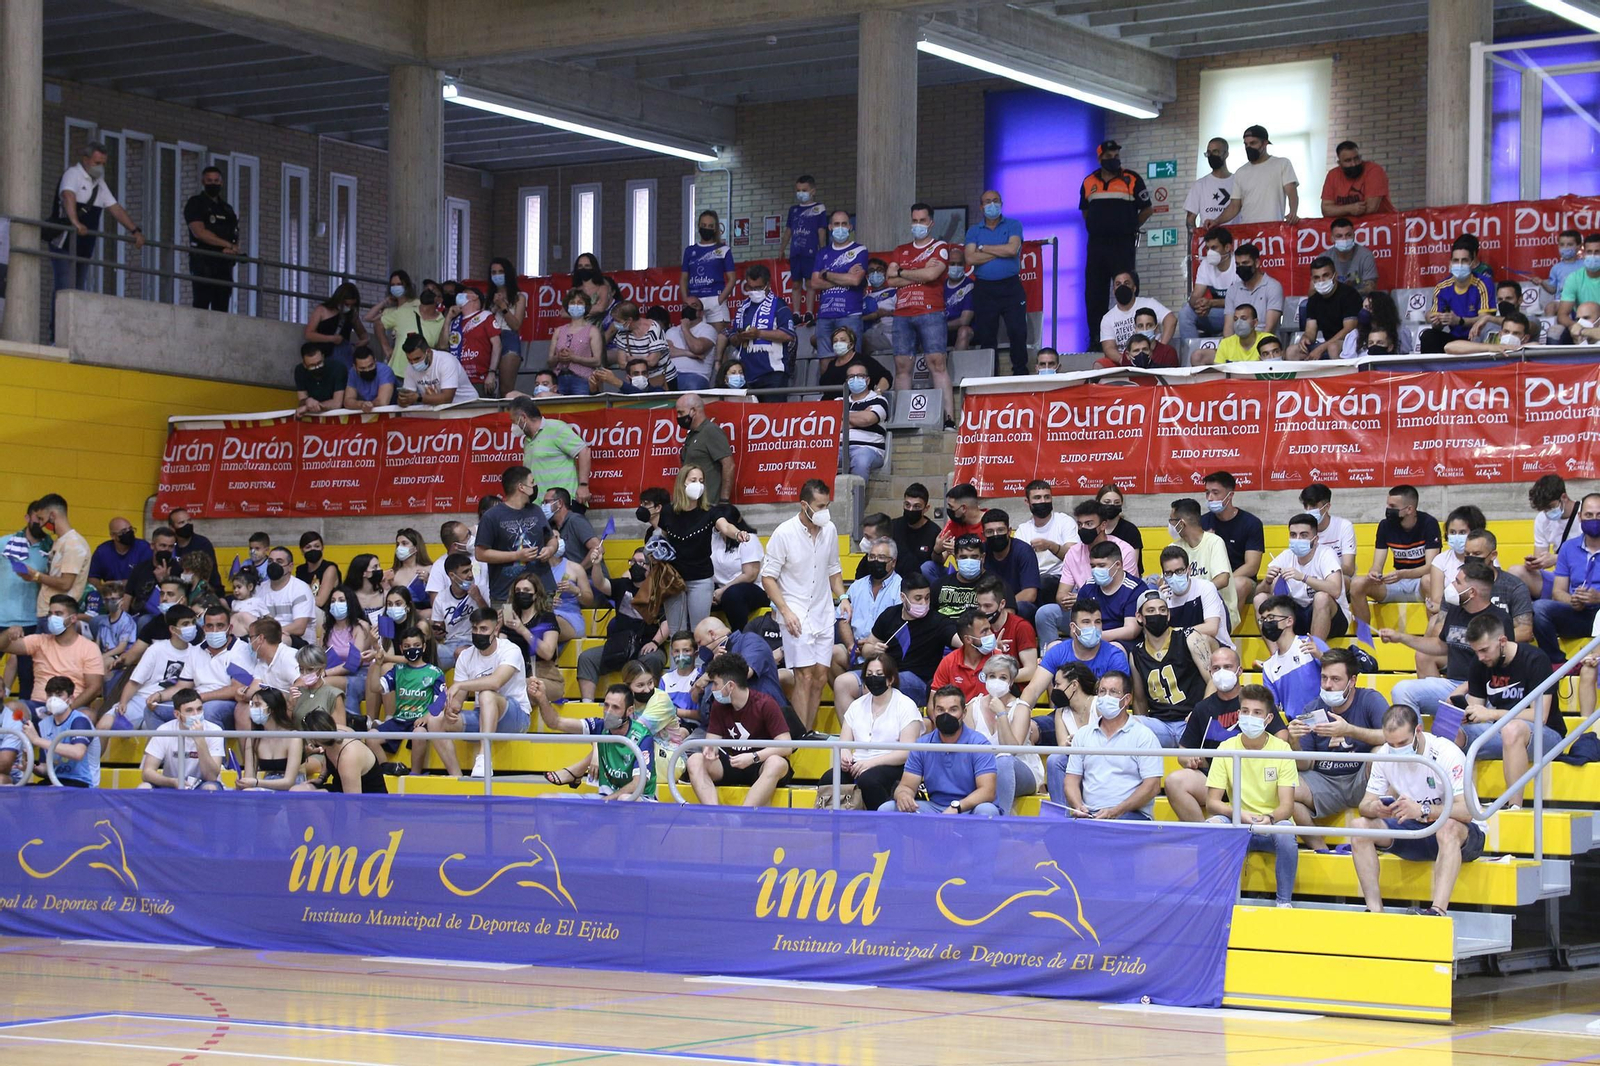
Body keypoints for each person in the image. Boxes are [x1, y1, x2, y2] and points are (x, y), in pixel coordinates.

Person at [1350, 705, 1485, 917]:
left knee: (1447, 827)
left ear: (1418, 731)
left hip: (1464, 835)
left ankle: (1437, 911)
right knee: (1359, 827)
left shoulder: (1446, 752)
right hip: (1417, 829)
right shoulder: (1384, 755)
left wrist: (1422, 810)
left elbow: (1467, 812)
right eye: (1391, 743)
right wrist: (1375, 808)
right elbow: (1364, 805)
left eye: (1402, 743)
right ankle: (1375, 910)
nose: (1396, 749)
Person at [1164, 645, 1282, 820]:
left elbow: (1282, 737)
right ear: (1210, 672)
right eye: (1216, 668)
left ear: (1239, 670)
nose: (1222, 672)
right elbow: (1183, 752)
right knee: (1174, 781)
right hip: (1215, 781)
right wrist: (1190, 759)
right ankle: (1205, 837)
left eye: (1228, 667)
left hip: (1257, 780)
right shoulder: (1202, 708)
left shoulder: (1257, 702)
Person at [1205, 686, 1299, 907]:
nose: (1249, 717)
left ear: (1268, 719)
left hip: (1272, 825)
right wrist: (1238, 814)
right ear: (1238, 714)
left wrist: (1269, 818)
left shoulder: (1282, 749)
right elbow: (1212, 803)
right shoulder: (1225, 748)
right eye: (1245, 711)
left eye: (1257, 713)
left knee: (1286, 833)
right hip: (1238, 823)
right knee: (1211, 826)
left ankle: (1284, 903)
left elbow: (1287, 806)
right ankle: (1215, 900)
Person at [761, 481, 843, 734]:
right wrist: (785, 610)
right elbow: (767, 577)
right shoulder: (784, 533)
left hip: (824, 611)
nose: (824, 511)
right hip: (795, 612)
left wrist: (844, 597)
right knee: (804, 675)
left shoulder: (829, 529)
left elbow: (834, 570)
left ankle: (807, 732)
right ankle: (796, 736)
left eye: (827, 505)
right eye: (820, 506)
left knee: (820, 676)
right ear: (804, 505)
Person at [1287, 647, 1387, 850]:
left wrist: (1349, 730)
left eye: (1335, 679)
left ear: (1352, 681)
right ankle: (1321, 849)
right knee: (1287, 788)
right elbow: (1304, 764)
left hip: (1363, 780)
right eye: (1324, 678)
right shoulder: (1312, 708)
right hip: (1325, 782)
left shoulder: (1370, 699)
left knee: (1381, 753)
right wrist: (1294, 741)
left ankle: (1382, 841)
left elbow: (1392, 737)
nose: (1327, 685)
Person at [1387, 559, 1509, 721]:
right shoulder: (1455, 611)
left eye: (1457, 582)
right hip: (1452, 684)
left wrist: (1464, 689)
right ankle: (1417, 743)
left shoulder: (1500, 620)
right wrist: (1400, 637)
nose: (1451, 584)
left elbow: (1504, 667)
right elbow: (1440, 646)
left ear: (1472, 592)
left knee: (1473, 725)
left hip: (1485, 691)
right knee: (1402, 690)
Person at [1465, 614, 1565, 808]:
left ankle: (1514, 807)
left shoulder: (1535, 659)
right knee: (1452, 734)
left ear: (1502, 641)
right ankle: (1456, 803)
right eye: (1476, 651)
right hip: (1500, 730)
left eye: (1485, 650)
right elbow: (1476, 706)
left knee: (1512, 729)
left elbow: (1539, 716)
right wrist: (1466, 715)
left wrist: (1492, 714)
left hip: (1546, 735)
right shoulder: (1479, 663)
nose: (1480, 657)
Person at [48, 141, 144, 340]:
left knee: (78, 291)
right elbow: (68, 197)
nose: (100, 167)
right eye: (97, 162)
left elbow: (115, 208)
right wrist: (76, 222)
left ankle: (73, 336)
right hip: (64, 243)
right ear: (86, 160)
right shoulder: (73, 174)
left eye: (103, 163)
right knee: (65, 288)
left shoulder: (99, 184)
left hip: (84, 246)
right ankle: (56, 336)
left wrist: (134, 230)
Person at [424, 608, 531, 778]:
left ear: (496, 630)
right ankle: (456, 776)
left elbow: (496, 681)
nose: (478, 633)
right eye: (474, 629)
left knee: (486, 693)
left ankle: (483, 757)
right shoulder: (466, 656)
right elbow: (458, 701)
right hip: (483, 716)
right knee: (435, 720)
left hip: (515, 717)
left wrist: (461, 686)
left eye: (483, 629)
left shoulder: (511, 650)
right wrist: (451, 708)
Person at [834, 572, 955, 709]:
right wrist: (873, 650)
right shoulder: (889, 615)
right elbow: (867, 649)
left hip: (919, 681)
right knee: (842, 683)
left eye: (927, 598)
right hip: (887, 672)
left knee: (880, 682)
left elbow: (959, 640)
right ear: (903, 597)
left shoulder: (937, 621)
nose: (924, 603)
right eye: (918, 598)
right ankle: (853, 730)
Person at [819, 653, 922, 811]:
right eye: (869, 675)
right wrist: (845, 753)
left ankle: (882, 824)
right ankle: (835, 824)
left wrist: (870, 763)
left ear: (891, 679)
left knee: (869, 780)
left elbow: (906, 752)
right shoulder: (856, 705)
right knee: (829, 777)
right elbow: (844, 742)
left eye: (879, 675)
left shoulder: (906, 705)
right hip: (858, 764)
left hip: (892, 764)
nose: (874, 678)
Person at [688, 652, 794, 806]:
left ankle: (743, 816)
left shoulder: (766, 704)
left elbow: (786, 746)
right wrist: (709, 750)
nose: (713, 689)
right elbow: (711, 740)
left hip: (760, 762)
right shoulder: (718, 705)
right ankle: (714, 815)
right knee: (695, 760)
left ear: (730, 686)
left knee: (777, 763)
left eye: (716, 684)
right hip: (733, 762)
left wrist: (753, 757)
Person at [1055, 670, 1161, 818]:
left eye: (1113, 692)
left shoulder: (1144, 736)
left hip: (1130, 814)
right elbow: (1071, 779)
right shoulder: (1083, 735)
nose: (1106, 697)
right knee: (1055, 835)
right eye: (1102, 691)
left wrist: (1116, 811)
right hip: (1091, 814)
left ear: (1126, 699)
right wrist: (1078, 806)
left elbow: (1153, 786)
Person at [656, 464, 748, 631]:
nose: (698, 484)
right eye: (693, 480)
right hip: (673, 579)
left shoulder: (709, 511)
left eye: (701, 480)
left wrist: (737, 533)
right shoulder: (668, 511)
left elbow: (725, 527)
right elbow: (663, 536)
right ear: (682, 483)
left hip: (700, 579)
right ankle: (678, 658)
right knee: (676, 632)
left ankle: (700, 658)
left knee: (700, 632)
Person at [1080, 141, 1153, 349]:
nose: (1114, 158)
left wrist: (1129, 227)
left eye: (1116, 154)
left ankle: (1133, 337)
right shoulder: (1088, 182)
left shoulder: (1132, 179)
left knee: (1126, 289)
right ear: (1100, 158)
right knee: (1094, 293)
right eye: (1109, 155)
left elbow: (1147, 210)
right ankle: (1096, 338)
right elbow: (1085, 212)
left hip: (1123, 244)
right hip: (1097, 246)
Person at [888, 202, 955, 427]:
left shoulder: (940, 246)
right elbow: (890, 279)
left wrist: (903, 272)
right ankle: (901, 418)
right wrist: (920, 273)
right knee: (901, 366)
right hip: (902, 313)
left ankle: (948, 419)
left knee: (937, 362)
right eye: (914, 221)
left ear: (931, 222)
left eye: (922, 221)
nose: (918, 225)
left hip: (931, 311)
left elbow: (933, 274)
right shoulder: (900, 249)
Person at [882, 687, 999, 816]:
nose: (946, 715)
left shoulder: (979, 744)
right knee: (887, 809)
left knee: (988, 810)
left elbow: (987, 791)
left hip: (969, 808)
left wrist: (956, 808)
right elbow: (906, 786)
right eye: (940, 710)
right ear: (933, 711)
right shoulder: (922, 745)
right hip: (934, 808)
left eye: (953, 710)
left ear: (964, 712)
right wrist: (904, 795)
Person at [1127, 590, 1214, 747]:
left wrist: (1199, 714)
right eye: (1151, 611)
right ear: (1139, 617)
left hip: (1191, 721)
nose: (1157, 614)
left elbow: (1213, 681)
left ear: (1168, 615)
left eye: (1162, 610)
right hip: (1160, 725)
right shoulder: (1136, 654)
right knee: (1125, 725)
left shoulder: (1189, 637)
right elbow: (1139, 700)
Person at [1351, 485, 1442, 629]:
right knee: (1357, 583)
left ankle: (1434, 635)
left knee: (1429, 580)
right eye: (1388, 504)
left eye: (1392, 506)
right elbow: (1377, 564)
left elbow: (1431, 566)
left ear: (1409, 509)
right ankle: (1364, 638)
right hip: (1397, 584)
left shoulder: (1429, 523)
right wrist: (1374, 573)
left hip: (1420, 584)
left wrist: (1404, 573)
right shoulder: (1385, 526)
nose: (1388, 509)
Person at [0, 594, 104, 716]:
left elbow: (95, 687)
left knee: (89, 715)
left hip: (72, 707)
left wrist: (68, 709)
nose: (52, 618)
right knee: (11, 708)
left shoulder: (90, 648)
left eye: (58, 614)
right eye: (50, 614)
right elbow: (3, 646)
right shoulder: (39, 641)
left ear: (73, 618)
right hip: (39, 706)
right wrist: (8, 633)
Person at [963, 191, 1030, 376]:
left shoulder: (1013, 225)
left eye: (995, 201)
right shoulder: (974, 231)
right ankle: (990, 375)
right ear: (981, 206)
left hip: (1011, 287)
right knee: (987, 335)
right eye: (987, 202)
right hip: (985, 289)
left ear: (1001, 203)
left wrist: (983, 248)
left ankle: (1020, 373)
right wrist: (1000, 250)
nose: (991, 205)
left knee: (1017, 331)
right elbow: (969, 257)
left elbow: (1012, 249)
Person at [1022, 601, 1132, 713]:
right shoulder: (1057, 652)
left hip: (1102, 719)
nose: (1093, 627)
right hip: (1063, 716)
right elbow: (1033, 690)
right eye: (1086, 622)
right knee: (1034, 727)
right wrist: (1021, 710)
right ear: (1073, 627)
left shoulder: (1114, 655)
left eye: (1097, 622)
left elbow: (1120, 702)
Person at [965, 655, 1041, 814]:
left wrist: (1002, 715)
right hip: (983, 771)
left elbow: (1012, 749)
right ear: (985, 678)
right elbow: (968, 748)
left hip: (1022, 771)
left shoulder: (1021, 708)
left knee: (1004, 759)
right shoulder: (973, 706)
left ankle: (1001, 818)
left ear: (1011, 682)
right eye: (992, 676)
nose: (996, 681)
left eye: (1003, 677)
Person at [100, 603, 195, 730]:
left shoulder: (196, 652)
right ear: (172, 629)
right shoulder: (156, 649)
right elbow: (135, 682)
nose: (191, 627)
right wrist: (123, 702)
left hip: (172, 704)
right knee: (105, 724)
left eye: (193, 622)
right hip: (142, 700)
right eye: (185, 624)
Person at [1258, 512, 1349, 640]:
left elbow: (1335, 590)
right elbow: (1258, 593)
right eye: (1293, 535)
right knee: (1260, 598)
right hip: (1297, 615)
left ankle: (1315, 652)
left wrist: (1303, 577)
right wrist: (1267, 582)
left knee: (1321, 597)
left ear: (1315, 539)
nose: (1297, 539)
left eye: (1304, 535)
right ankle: (1275, 655)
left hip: (1331, 617)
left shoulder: (1326, 554)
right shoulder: (1286, 555)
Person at [18, 676, 101, 787]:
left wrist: (37, 740)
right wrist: (33, 768)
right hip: (56, 781)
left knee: (47, 794)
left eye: (59, 695)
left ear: (70, 699)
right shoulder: (44, 724)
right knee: (15, 790)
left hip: (82, 782)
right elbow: (47, 769)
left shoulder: (80, 721)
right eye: (50, 695)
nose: (53, 699)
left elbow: (78, 753)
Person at [509, 396, 592, 506]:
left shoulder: (555, 427)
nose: (513, 426)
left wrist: (583, 485)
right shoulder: (527, 441)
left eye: (514, 421)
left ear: (523, 418)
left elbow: (584, 451)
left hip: (565, 505)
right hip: (540, 506)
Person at [729, 263, 797, 397]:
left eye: (759, 287)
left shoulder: (779, 305)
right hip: (746, 374)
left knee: (772, 417)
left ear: (768, 285)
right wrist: (739, 337)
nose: (754, 291)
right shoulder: (743, 308)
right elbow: (732, 337)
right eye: (750, 287)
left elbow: (788, 335)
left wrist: (759, 333)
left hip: (773, 374)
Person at [1199, 471, 1264, 610]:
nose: (1210, 498)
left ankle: (1226, 630)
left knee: (1239, 584)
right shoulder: (1201, 523)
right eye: (1207, 493)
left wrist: (1223, 581)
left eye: (1215, 493)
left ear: (1230, 495)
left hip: (1240, 580)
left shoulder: (1251, 523)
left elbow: (1252, 566)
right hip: (1208, 579)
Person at [138, 688, 224, 790]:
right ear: (177, 714)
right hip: (172, 783)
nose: (196, 715)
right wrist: (172, 782)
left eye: (199, 709)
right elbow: (147, 772)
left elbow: (211, 776)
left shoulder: (214, 730)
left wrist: (199, 739)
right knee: (144, 787)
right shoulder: (164, 730)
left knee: (210, 788)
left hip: (202, 784)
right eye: (189, 710)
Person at [1418, 239, 1494, 354]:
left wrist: (1460, 321)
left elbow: (1486, 319)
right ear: (1450, 264)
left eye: (1464, 261)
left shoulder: (1484, 283)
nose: (1459, 264)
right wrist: (1435, 319)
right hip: (1454, 340)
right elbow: (1437, 327)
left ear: (1472, 263)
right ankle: (1434, 371)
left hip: (1477, 338)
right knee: (1428, 336)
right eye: (1456, 261)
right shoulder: (1442, 287)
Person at [1512, 475, 1580, 601]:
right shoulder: (1542, 519)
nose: (1547, 512)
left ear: (1563, 497)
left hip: (1584, 578)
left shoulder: (1586, 515)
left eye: (1550, 507)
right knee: (1515, 571)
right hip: (1559, 579)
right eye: (1543, 509)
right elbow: (1540, 557)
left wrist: (1556, 559)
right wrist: (1535, 563)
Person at [22, 493, 90, 618]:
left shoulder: (73, 543)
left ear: (52, 516)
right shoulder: (59, 541)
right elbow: (53, 577)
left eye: (42, 519)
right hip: (46, 611)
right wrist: (31, 577)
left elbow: (65, 583)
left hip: (59, 615)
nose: (41, 525)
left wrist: (35, 575)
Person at [1215, 124, 1299, 225]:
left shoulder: (1282, 164)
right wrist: (1216, 221)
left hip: (1273, 231)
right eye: (1246, 144)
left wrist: (1293, 213)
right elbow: (1234, 206)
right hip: (1247, 232)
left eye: (1253, 143)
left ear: (1265, 143)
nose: (1248, 147)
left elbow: (1291, 192)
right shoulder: (1241, 172)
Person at [1169, 497, 1236, 624]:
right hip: (1185, 610)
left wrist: (1194, 596)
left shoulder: (1214, 542)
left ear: (1181, 523)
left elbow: (1222, 579)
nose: (1170, 525)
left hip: (1216, 610)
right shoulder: (1173, 548)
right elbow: (1164, 580)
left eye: (1172, 521)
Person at [838, 538, 901, 670]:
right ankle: (853, 686)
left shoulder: (900, 588)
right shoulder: (857, 586)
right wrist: (851, 645)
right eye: (871, 556)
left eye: (881, 557)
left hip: (882, 651)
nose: (875, 561)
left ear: (893, 562)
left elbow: (898, 628)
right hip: (855, 649)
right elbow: (843, 618)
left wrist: (870, 644)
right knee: (833, 653)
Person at [183, 166, 240, 312]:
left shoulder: (227, 209)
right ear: (203, 181)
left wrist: (233, 248)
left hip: (224, 266)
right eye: (209, 181)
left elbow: (235, 234)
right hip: (203, 263)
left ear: (221, 183)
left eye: (216, 181)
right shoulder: (196, 203)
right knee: (201, 307)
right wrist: (226, 244)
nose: (213, 184)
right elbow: (199, 232)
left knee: (221, 308)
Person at [811, 209, 868, 352]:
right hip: (825, 315)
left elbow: (855, 280)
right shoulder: (822, 253)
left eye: (844, 224)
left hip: (850, 314)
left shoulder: (860, 250)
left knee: (851, 360)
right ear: (830, 227)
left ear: (850, 226)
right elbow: (814, 283)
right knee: (825, 363)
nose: (841, 228)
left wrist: (827, 275)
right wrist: (844, 277)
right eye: (837, 224)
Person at [1014, 481, 1077, 609]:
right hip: (1031, 582)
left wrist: (1051, 546)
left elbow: (1074, 557)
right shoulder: (1023, 530)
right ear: (1027, 502)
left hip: (1060, 580)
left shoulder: (1064, 521)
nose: (1043, 501)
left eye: (1047, 497)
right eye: (1037, 498)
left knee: (1045, 581)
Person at [1155, 545, 1231, 646]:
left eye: (1179, 571)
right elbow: (1158, 635)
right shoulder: (1163, 597)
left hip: (1216, 648)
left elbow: (1211, 628)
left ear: (1189, 570)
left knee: (1197, 639)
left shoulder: (1205, 588)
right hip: (1179, 651)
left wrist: (1175, 632)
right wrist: (1160, 606)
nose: (1174, 577)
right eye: (1168, 573)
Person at [303, 708, 387, 794]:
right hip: (340, 789)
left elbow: (353, 802)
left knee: (310, 799)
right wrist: (321, 778)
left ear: (313, 739)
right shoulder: (329, 736)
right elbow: (327, 756)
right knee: (298, 790)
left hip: (368, 801)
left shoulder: (348, 757)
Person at [1292, 257, 1362, 360]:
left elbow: (1348, 329)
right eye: (1316, 277)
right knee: (1292, 351)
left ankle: (1341, 376)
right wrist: (1305, 338)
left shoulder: (1349, 295)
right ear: (1312, 279)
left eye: (1325, 275)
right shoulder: (1313, 300)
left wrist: (1321, 348)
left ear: (1335, 275)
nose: (1321, 281)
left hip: (1350, 344)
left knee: (1332, 347)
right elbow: (1311, 331)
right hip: (1326, 344)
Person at [712, 508, 769, 633]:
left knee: (733, 594)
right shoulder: (714, 539)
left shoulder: (748, 539)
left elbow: (750, 575)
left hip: (752, 589)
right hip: (720, 591)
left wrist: (723, 590)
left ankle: (740, 634)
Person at [1099, 272, 1176, 363]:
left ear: (1134, 288)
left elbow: (1171, 319)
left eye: (1126, 283)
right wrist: (1124, 361)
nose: (1122, 287)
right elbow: (1108, 347)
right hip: (1125, 361)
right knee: (1100, 364)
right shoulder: (1108, 318)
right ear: (1114, 290)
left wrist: (1160, 348)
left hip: (1153, 356)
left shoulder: (1149, 303)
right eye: (1118, 284)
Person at [974, 577, 1038, 683]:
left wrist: (999, 679)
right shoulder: (977, 627)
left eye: (987, 606)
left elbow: (1030, 671)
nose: (982, 611)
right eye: (979, 606)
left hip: (1012, 689)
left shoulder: (1021, 627)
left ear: (1002, 604)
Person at [783, 174, 828, 325]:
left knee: (810, 282)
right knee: (796, 283)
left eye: (804, 190)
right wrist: (782, 248)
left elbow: (821, 230)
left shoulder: (819, 208)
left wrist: (822, 249)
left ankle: (808, 312)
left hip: (811, 252)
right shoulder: (793, 210)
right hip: (796, 252)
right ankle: (796, 312)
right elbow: (789, 230)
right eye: (798, 190)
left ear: (813, 191)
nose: (801, 193)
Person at [675, 393, 735, 505]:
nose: (678, 417)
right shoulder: (692, 435)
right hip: (691, 504)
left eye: (681, 413)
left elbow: (728, 465)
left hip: (709, 504)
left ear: (693, 411)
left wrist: (724, 500)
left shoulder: (710, 431)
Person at [681, 209, 736, 330]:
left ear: (716, 228)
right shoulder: (689, 251)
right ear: (698, 226)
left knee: (718, 344)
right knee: (693, 342)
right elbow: (684, 278)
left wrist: (719, 300)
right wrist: (686, 301)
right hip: (694, 302)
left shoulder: (724, 250)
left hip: (715, 301)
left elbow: (732, 279)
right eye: (703, 225)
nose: (706, 228)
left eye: (710, 226)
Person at [1182, 226, 1239, 339]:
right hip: (1219, 315)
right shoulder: (1205, 265)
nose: (1210, 252)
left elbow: (1240, 301)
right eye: (1207, 248)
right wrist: (1199, 305)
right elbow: (1196, 295)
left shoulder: (1237, 264)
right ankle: (1192, 354)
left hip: (1237, 316)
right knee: (1186, 312)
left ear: (1227, 247)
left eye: (1214, 247)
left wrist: (1211, 303)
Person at [930, 610, 996, 706]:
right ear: (968, 639)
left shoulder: (997, 659)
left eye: (990, 629)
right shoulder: (949, 662)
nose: (991, 634)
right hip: (959, 718)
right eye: (984, 631)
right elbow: (933, 703)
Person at [980, 509, 1040, 616]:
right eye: (990, 532)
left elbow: (1030, 594)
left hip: (1017, 604)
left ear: (1009, 531)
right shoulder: (981, 552)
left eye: (1000, 530)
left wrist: (1001, 607)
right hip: (987, 605)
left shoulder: (1023, 551)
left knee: (1022, 607)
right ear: (983, 534)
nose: (995, 535)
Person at [1221, 242, 1285, 334]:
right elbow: (1228, 327)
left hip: (1264, 342)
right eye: (1238, 264)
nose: (1241, 267)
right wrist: (1228, 347)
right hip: (1239, 342)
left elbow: (1269, 329)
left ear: (1257, 263)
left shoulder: (1273, 287)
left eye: (1245, 263)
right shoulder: (1233, 290)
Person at [550, 288, 604, 395]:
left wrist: (574, 358)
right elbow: (549, 361)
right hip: (559, 379)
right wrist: (558, 357)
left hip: (583, 380)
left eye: (580, 303)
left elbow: (597, 361)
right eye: (572, 303)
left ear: (586, 306)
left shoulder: (592, 330)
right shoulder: (559, 331)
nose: (575, 305)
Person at [398, 335, 478, 406]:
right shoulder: (410, 368)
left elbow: (447, 398)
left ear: (428, 352)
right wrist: (404, 400)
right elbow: (407, 397)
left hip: (466, 405)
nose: (413, 363)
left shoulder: (446, 361)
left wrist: (419, 398)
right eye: (409, 360)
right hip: (440, 409)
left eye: (417, 359)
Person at [484, 257, 528, 388]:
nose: (497, 275)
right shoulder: (487, 298)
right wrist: (493, 308)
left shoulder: (519, 297)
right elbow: (481, 322)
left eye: (501, 272)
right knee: (487, 386)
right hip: (489, 339)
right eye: (494, 272)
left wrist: (503, 307)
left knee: (506, 390)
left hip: (509, 338)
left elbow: (515, 325)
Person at [1320, 141, 1394, 217]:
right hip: (1349, 226)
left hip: (1383, 225)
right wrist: (1349, 208)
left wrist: (1338, 210)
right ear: (1340, 163)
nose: (1354, 164)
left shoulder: (1374, 170)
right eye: (1348, 161)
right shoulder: (1332, 175)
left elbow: (1370, 208)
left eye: (1356, 158)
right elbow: (1326, 210)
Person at [1299, 483, 1357, 577]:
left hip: (1339, 578)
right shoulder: (1301, 529)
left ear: (1327, 507)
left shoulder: (1344, 526)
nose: (1309, 510)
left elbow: (1349, 569)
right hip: (1308, 579)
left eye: (1313, 506)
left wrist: (1323, 568)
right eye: (1306, 506)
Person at [304, 283, 370, 364]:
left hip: (343, 355)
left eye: (352, 305)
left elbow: (363, 333)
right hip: (322, 353)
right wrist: (331, 338)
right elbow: (309, 334)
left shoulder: (352, 315)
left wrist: (364, 341)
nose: (349, 307)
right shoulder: (322, 310)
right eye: (346, 304)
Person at [1554, 232, 1600, 340]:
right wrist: (1574, 326)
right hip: (1583, 325)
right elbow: (1562, 315)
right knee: (1555, 332)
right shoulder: (1574, 278)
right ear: (1583, 254)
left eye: (1597, 252)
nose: (1592, 255)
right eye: (1589, 252)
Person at [819, 327, 892, 394]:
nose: (838, 343)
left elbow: (886, 376)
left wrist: (878, 392)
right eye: (835, 341)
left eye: (843, 340)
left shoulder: (864, 360)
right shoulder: (831, 364)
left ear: (851, 344)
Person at [930, 483, 985, 570]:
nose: (949, 511)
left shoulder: (991, 523)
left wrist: (959, 551)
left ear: (963, 508)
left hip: (985, 571)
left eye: (951, 507)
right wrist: (937, 550)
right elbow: (941, 559)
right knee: (928, 567)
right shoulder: (953, 524)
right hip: (958, 573)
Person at [890, 483, 940, 580]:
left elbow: (937, 563)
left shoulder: (934, 531)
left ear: (926, 508)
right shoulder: (893, 526)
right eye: (907, 505)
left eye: (917, 506)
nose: (911, 509)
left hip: (921, 582)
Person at [1185, 138, 1235, 232]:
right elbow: (1190, 219)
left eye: (1215, 151)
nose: (1211, 155)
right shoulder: (1199, 185)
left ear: (1226, 154)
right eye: (1208, 152)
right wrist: (1197, 239)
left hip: (1236, 239)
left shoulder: (1237, 182)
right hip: (1209, 242)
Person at [666, 302, 719, 391]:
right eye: (685, 306)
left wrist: (685, 329)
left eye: (694, 306)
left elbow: (697, 348)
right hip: (671, 374)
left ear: (701, 313)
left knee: (692, 386)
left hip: (696, 375)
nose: (688, 308)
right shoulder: (672, 330)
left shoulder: (707, 329)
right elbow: (666, 351)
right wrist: (690, 354)